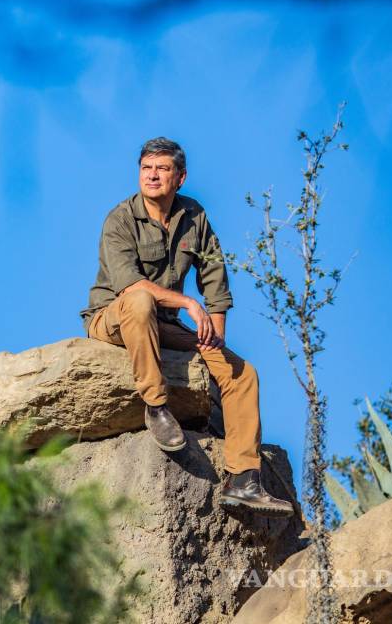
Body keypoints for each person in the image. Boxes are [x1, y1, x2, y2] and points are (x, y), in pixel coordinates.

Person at [80, 137, 293, 518]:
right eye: (146, 168)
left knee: (242, 373)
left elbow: (214, 274)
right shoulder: (120, 219)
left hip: (161, 324)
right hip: (112, 317)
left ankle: (243, 479)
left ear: (180, 177)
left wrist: (216, 336)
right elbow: (131, 287)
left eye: (162, 169)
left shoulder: (194, 216)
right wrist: (189, 304)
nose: (153, 175)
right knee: (142, 302)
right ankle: (156, 407)